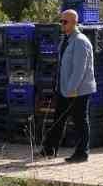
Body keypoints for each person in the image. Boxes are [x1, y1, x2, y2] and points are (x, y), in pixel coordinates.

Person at [40, 9, 96, 163]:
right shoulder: (66, 40)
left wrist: (72, 88)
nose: (62, 24)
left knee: (80, 121)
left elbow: (80, 69)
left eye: (65, 22)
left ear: (74, 23)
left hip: (78, 90)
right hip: (65, 88)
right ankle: (49, 149)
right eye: (61, 21)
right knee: (59, 119)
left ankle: (82, 153)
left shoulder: (80, 41)